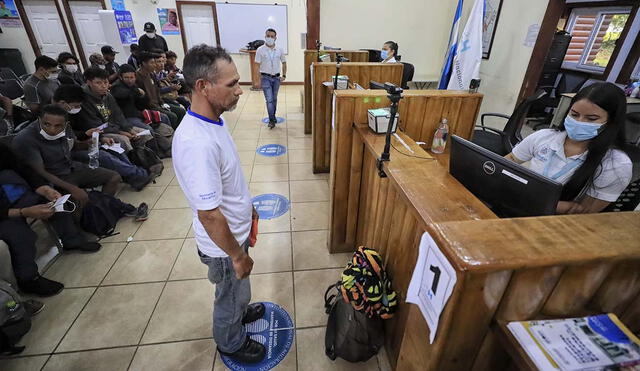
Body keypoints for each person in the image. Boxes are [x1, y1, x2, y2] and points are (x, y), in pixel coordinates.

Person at [173, 45, 265, 364]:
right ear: (203, 86)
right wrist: (237, 255)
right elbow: (210, 215)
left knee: (238, 291)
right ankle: (230, 341)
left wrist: (247, 206)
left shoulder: (213, 119)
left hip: (234, 231)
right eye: (232, 85)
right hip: (223, 246)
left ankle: (239, 311)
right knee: (228, 295)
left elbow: (228, 180)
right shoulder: (196, 143)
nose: (240, 90)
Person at [505, 82, 632, 214]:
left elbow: (585, 213)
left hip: (557, 223)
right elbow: (510, 160)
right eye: (575, 114)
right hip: (521, 207)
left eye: (591, 118)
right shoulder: (544, 137)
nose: (579, 122)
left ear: (611, 122)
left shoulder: (615, 164)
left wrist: (531, 201)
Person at [0, 142, 101, 296]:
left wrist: (45, 189)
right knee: (20, 235)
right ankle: (29, 280)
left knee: (56, 205)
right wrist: (23, 212)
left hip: (18, 194)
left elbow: (24, 169)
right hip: (4, 213)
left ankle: (72, 240)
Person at [53, 84, 160, 190]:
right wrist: (85, 137)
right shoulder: (50, 118)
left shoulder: (66, 111)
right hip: (69, 153)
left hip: (82, 142)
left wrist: (94, 136)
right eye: (76, 106)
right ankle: (139, 175)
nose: (78, 109)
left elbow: (76, 132)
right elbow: (65, 141)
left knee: (114, 147)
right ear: (63, 103)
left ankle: (136, 175)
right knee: (104, 156)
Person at [77, 67, 151, 152]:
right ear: (89, 82)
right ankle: (133, 162)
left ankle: (145, 158)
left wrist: (129, 129)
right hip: (101, 132)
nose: (103, 86)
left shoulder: (108, 96)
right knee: (123, 140)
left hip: (114, 127)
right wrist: (120, 132)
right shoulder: (84, 99)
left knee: (144, 133)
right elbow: (95, 125)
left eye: (106, 82)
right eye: (98, 83)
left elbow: (118, 115)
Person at [111, 64, 174, 157]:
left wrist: (143, 96)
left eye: (131, 77)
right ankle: (155, 155)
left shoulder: (134, 86)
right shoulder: (117, 87)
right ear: (120, 77)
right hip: (127, 118)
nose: (129, 80)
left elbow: (144, 103)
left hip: (139, 114)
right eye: (126, 77)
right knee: (148, 129)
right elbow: (123, 95)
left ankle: (169, 146)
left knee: (164, 117)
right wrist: (137, 92)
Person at [136, 52, 181, 128]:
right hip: (149, 107)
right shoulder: (137, 77)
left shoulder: (151, 74)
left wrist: (161, 103)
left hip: (158, 104)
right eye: (152, 63)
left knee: (180, 111)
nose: (154, 65)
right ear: (144, 63)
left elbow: (157, 90)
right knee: (172, 116)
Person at [254, 28, 286, 129]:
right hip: (265, 78)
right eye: (268, 36)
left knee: (274, 99)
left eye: (272, 36)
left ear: (275, 38)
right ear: (265, 36)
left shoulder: (280, 50)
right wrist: (259, 78)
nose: (270, 38)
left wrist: (284, 76)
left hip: (276, 78)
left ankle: (273, 116)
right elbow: (256, 65)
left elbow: (284, 63)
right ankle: (271, 120)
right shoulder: (260, 50)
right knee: (269, 100)